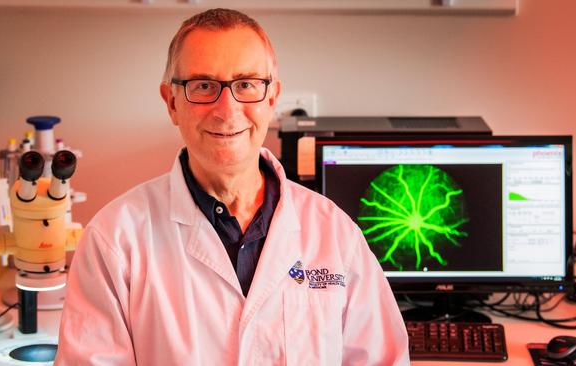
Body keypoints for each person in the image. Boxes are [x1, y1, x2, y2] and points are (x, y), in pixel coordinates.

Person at [55, 8, 409, 365]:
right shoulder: (114, 240)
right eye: (204, 86)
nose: (227, 110)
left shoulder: (334, 232)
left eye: (246, 84)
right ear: (172, 102)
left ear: (272, 98)